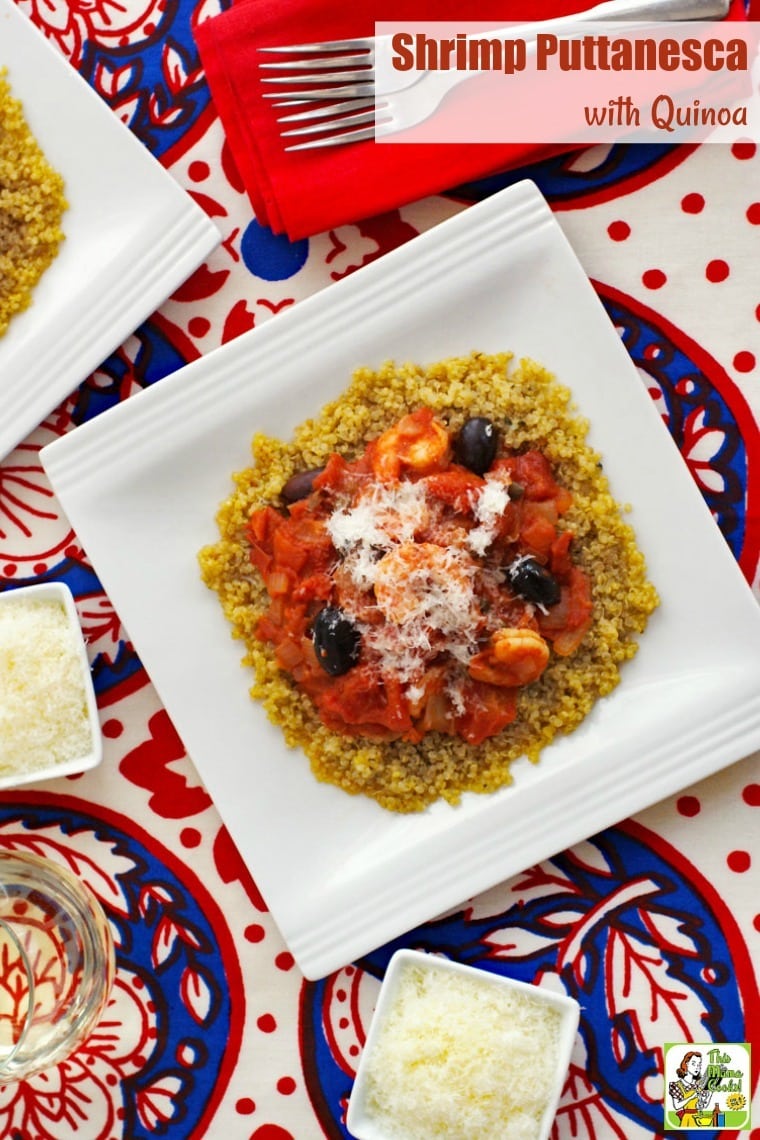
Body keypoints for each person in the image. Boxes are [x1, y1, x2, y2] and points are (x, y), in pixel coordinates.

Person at [669, 1051, 712, 1127]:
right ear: (686, 1064)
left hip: (698, 1119)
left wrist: (710, 1093)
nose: (697, 1067)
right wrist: (691, 1097)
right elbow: (676, 1106)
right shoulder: (676, 1085)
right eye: (693, 1064)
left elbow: (703, 1106)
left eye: (699, 1065)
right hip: (686, 1119)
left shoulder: (698, 1085)